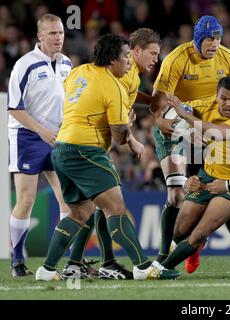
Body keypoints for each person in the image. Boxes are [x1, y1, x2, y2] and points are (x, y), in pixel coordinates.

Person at [35, 34, 179, 281]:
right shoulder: (113, 86)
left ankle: (47, 270)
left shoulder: (79, 72)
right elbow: (119, 136)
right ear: (112, 59)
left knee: (80, 213)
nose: (128, 63)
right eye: (125, 58)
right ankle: (143, 266)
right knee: (116, 208)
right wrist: (128, 129)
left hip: (62, 149)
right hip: (86, 151)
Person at [151, 16, 230, 274]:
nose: (215, 44)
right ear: (197, 38)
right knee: (175, 195)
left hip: (208, 131)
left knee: (225, 187)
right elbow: (159, 104)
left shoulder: (227, 58)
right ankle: (165, 255)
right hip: (178, 125)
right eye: (209, 39)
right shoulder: (176, 59)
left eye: (218, 38)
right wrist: (170, 124)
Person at [61, 28, 162, 280]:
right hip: (89, 148)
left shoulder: (132, 77)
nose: (155, 59)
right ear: (135, 51)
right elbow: (117, 115)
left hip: (89, 147)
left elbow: (125, 100)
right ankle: (79, 262)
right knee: (103, 206)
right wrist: (132, 139)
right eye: (152, 53)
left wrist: (147, 100)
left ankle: (93, 262)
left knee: (96, 206)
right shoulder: (122, 76)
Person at [156, 76, 230, 277]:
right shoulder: (206, 105)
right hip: (207, 175)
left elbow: (217, 133)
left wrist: (187, 117)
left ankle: (161, 268)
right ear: (216, 96)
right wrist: (163, 120)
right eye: (223, 98)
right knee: (180, 230)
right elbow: (172, 111)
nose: (227, 104)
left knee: (199, 232)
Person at [7, 14, 72, 278]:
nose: (58, 38)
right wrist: (41, 131)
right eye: (53, 33)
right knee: (26, 199)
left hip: (57, 138)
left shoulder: (68, 64)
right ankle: (17, 261)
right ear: (40, 37)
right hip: (27, 137)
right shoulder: (25, 65)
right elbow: (14, 108)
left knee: (68, 200)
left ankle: (66, 261)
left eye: (61, 33)